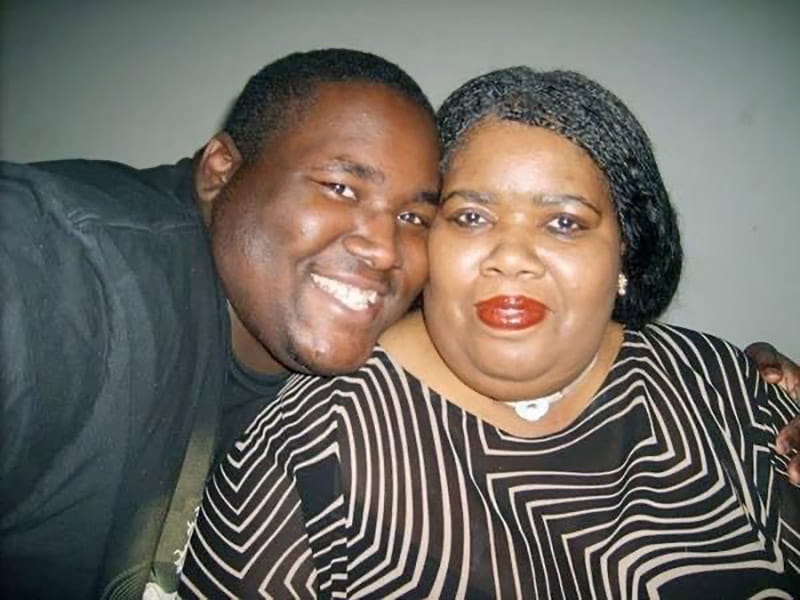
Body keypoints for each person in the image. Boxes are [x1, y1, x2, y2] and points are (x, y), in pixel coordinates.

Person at [180, 68, 800, 599]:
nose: (511, 256)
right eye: (471, 216)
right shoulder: (310, 442)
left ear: (625, 257)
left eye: (563, 222)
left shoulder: (723, 388)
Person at [0, 49, 440, 600]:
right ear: (220, 171)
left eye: (413, 217)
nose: (384, 248)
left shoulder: (365, 379)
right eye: (341, 188)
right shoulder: (69, 271)